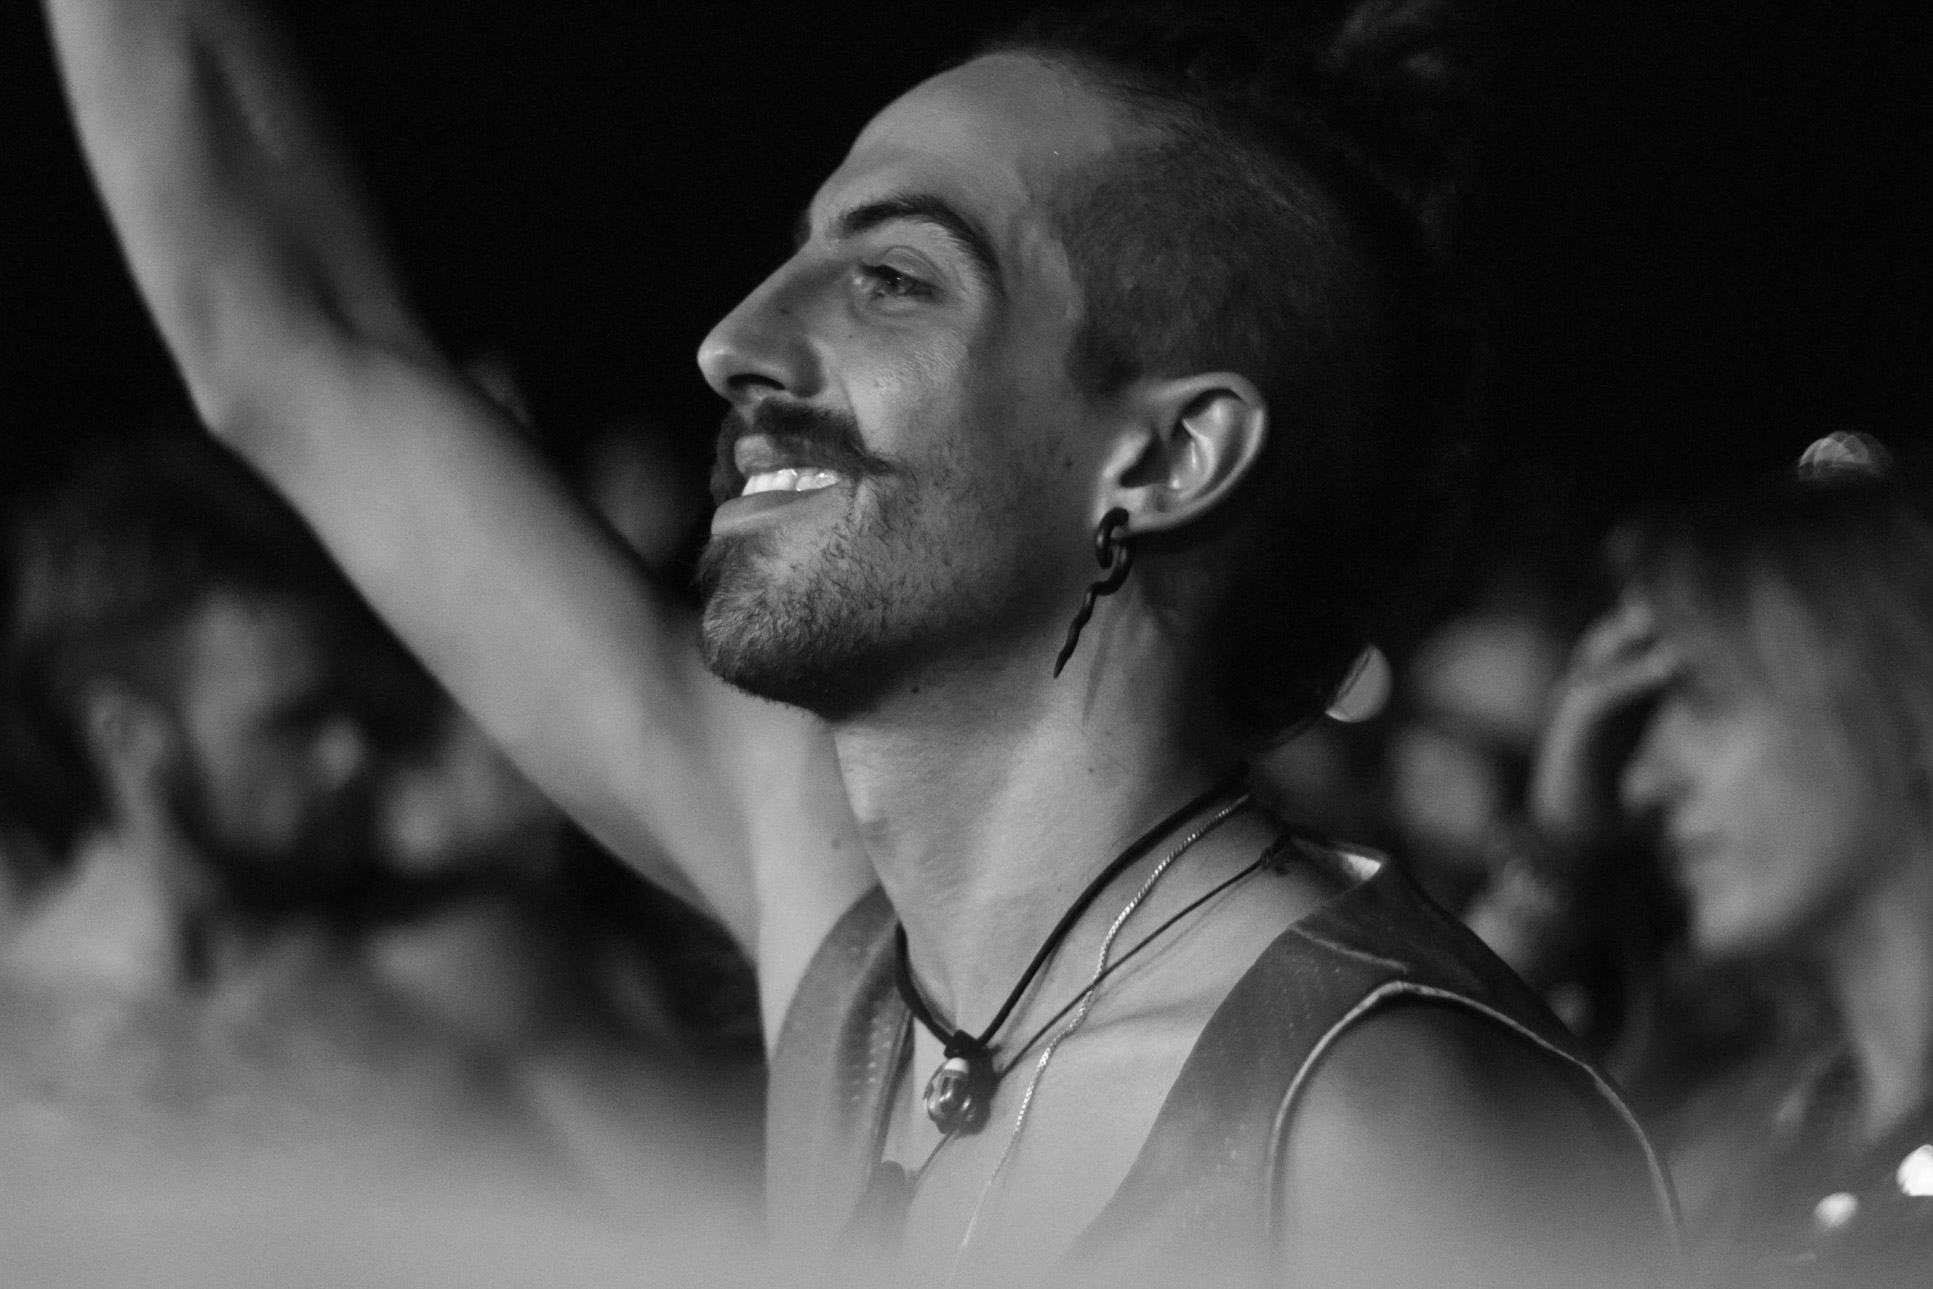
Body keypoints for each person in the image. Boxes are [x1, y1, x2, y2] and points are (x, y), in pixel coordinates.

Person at [41, 1, 1678, 1283]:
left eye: (891, 276)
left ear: (1163, 456)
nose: (734, 338)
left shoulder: (1379, 1122)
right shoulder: (858, 958)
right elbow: (293, 339)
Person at [1519, 434, 1933, 1287]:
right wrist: (1551, 865)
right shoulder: (1737, 1139)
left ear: (1910, 699)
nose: (1639, 782)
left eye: (1702, 695)